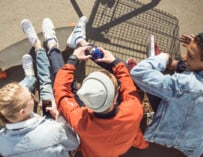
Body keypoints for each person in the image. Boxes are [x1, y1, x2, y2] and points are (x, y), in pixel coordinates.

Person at [53, 16, 148, 157]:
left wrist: (72, 62)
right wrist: (116, 63)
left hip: (95, 152)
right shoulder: (134, 110)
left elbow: (62, 93)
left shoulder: (80, 121)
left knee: (69, 91)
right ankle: (81, 41)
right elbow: (128, 85)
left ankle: (73, 43)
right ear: (117, 95)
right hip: (123, 146)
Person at [130, 27, 203, 157]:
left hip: (179, 141)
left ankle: (155, 61)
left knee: (153, 89)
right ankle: (169, 65)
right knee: (184, 68)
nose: (185, 56)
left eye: (191, 56)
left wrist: (163, 58)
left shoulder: (187, 86)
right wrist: (198, 48)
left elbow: (138, 73)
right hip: (202, 143)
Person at [0, 18, 79, 157]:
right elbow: (75, 142)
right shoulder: (54, 129)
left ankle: (37, 50)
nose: (33, 96)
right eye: (31, 97)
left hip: (40, 126)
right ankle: (40, 47)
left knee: (46, 87)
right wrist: (60, 120)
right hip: (49, 125)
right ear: (21, 112)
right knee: (45, 85)